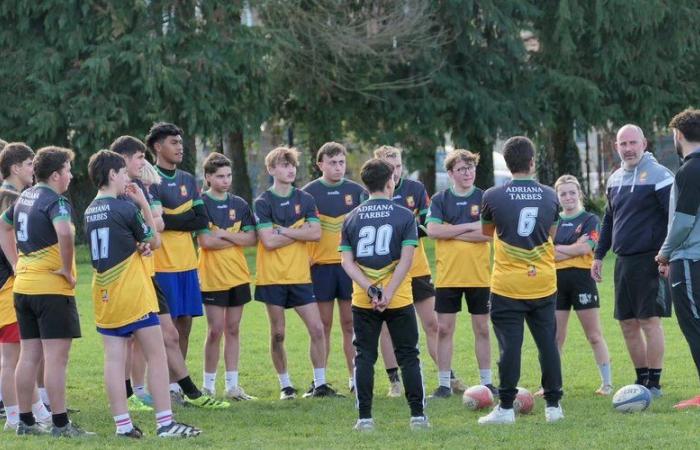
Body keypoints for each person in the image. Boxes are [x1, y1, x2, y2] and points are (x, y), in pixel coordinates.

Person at [85, 150, 201, 438]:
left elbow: (117, 243)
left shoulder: (89, 210)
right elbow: (156, 240)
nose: (127, 177)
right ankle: (165, 423)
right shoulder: (125, 207)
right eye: (123, 172)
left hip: (103, 291)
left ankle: (123, 426)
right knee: (156, 354)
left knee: (113, 359)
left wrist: (136, 245)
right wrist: (143, 205)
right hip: (132, 291)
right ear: (112, 175)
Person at [111, 135, 227, 409]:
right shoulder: (119, 192)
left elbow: (169, 223)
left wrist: (153, 219)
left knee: (171, 333)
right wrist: (150, 217)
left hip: (154, 270)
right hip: (137, 273)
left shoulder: (143, 186)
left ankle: (183, 391)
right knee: (130, 338)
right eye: (139, 157)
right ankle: (135, 393)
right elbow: (155, 228)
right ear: (124, 159)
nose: (143, 162)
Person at [0, 147, 93, 436]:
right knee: (55, 358)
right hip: (51, 288)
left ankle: (25, 421)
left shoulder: (23, 197)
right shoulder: (57, 201)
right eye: (68, 170)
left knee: (29, 355)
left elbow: (3, 227)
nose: (71, 176)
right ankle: (61, 424)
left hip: (24, 287)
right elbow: (65, 232)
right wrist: (67, 268)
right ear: (55, 175)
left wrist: (18, 263)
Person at [478, 136, 563, 425]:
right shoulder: (551, 195)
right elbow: (551, 233)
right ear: (532, 162)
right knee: (547, 345)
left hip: (508, 284)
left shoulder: (491, 196)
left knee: (509, 347)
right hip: (543, 282)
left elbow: (487, 233)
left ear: (506, 162)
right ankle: (554, 407)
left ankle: (504, 409)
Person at [340, 157, 428, 431]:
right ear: (390, 182)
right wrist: (388, 291)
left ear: (366, 185)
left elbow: (347, 262)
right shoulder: (404, 215)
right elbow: (406, 260)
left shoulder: (350, 217)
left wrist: (370, 288)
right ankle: (417, 417)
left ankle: (364, 419)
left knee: (364, 356)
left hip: (363, 298)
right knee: (409, 355)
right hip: (398, 297)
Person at [373, 145, 466, 396]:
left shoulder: (415, 189)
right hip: (384, 272)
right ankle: (395, 381)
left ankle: (448, 377)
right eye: (389, 168)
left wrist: (407, 225)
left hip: (417, 268)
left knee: (433, 324)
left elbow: (427, 226)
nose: (395, 172)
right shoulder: (369, 193)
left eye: (399, 166)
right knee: (387, 327)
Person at [591, 124, 673, 397]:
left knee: (649, 321)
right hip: (622, 262)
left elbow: (673, 219)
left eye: (632, 143)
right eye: (622, 144)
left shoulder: (661, 176)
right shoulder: (614, 179)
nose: (628, 148)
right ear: (616, 146)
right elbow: (609, 220)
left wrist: (667, 255)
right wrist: (599, 255)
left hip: (651, 260)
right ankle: (641, 380)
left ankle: (655, 383)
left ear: (644, 143)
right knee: (627, 323)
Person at [254, 146, 337, 399]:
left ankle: (320, 384)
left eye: (292, 165)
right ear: (271, 170)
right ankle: (285, 385)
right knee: (278, 333)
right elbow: (268, 242)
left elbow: (316, 233)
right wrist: (298, 231)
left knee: (318, 329)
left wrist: (284, 231)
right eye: (283, 165)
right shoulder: (262, 202)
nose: (290, 169)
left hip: (300, 276)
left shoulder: (306, 199)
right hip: (272, 277)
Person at [425, 149, 494, 398]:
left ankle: (487, 383)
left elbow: (488, 233)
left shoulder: (485, 197)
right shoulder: (440, 199)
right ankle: (444, 384)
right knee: (444, 329)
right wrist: (468, 228)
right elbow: (433, 230)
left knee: (483, 329)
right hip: (448, 277)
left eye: (471, 168)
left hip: (479, 276)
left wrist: (451, 229)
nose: (467, 173)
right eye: (462, 169)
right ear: (451, 173)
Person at [302, 142, 366, 393]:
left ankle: (355, 379)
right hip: (320, 268)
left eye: (341, 162)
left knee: (350, 324)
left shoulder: (357, 192)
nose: (338, 167)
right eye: (332, 163)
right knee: (322, 326)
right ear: (320, 165)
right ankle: (320, 381)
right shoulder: (308, 194)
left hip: (349, 267)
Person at [198, 152, 257, 401]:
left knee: (233, 329)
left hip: (238, 276)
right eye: (220, 176)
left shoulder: (240, 204)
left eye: (229, 175)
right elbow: (206, 242)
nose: (226, 180)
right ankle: (208, 386)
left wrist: (224, 234)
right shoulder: (200, 203)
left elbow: (252, 239)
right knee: (215, 330)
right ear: (209, 177)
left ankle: (232, 386)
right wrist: (233, 238)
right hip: (212, 277)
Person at [552, 174, 612, 396]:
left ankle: (606, 384)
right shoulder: (552, 220)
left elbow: (586, 248)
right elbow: (547, 253)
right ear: (558, 196)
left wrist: (561, 248)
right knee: (555, 337)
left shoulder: (589, 219)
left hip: (582, 281)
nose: (568, 197)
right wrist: (572, 247)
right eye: (563, 193)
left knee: (594, 335)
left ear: (579, 194)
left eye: (572, 192)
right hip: (555, 282)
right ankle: (551, 385)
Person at [656, 109, 700, 409]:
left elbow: (683, 222)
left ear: (679, 135)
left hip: (689, 260)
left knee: (694, 324)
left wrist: (664, 252)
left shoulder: (689, 170)